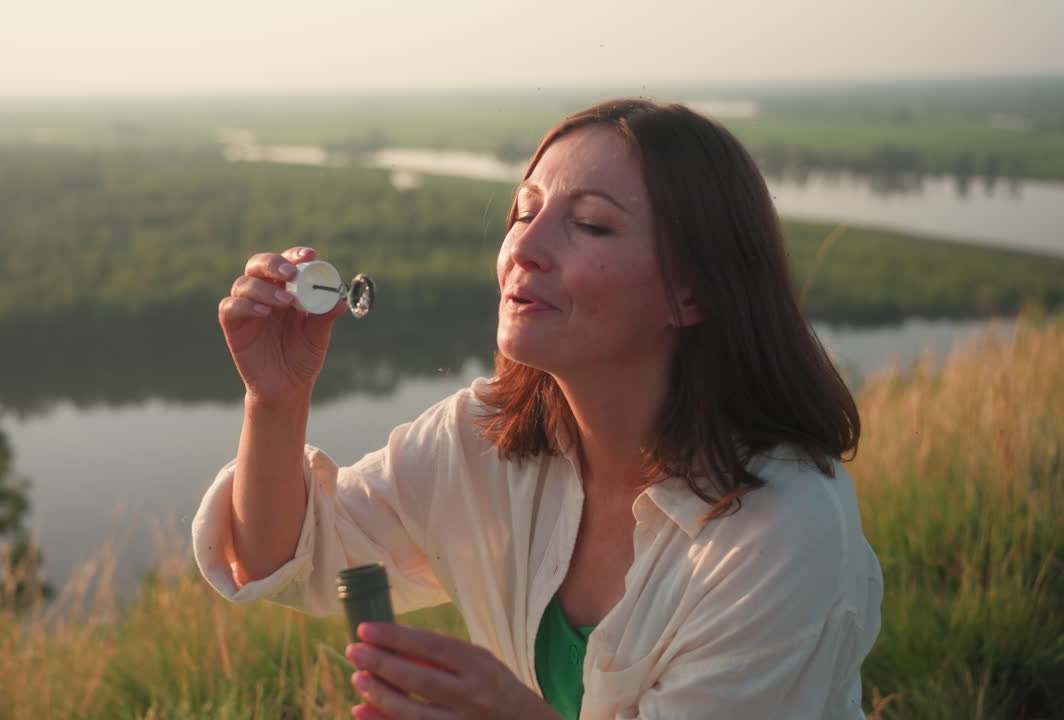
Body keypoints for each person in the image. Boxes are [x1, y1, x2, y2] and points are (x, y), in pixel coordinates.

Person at [193, 98, 884, 720]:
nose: (523, 246)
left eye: (588, 225)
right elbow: (283, 559)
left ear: (691, 295)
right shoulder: (479, 440)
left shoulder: (784, 526)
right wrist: (276, 400)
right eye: (523, 212)